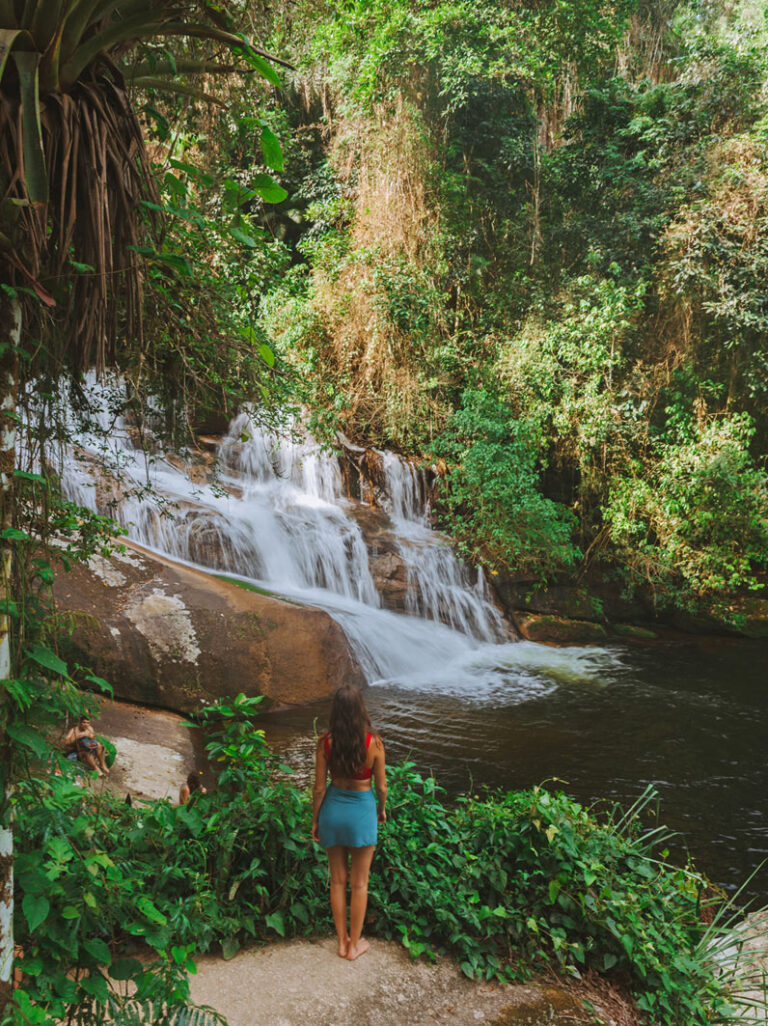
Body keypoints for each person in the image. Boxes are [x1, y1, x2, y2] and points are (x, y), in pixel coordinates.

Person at [312, 684, 387, 961]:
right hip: (362, 811)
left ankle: (341, 941)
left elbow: (319, 789)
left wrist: (315, 820)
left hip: (333, 810)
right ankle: (354, 946)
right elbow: (381, 788)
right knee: (360, 883)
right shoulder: (375, 743)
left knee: (337, 881)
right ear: (360, 709)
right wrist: (381, 810)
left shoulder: (324, 742)